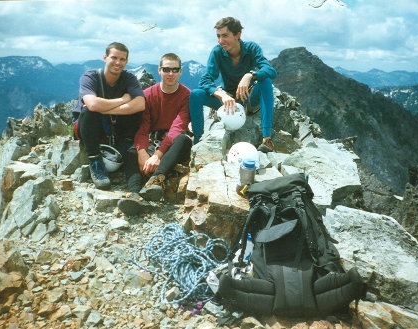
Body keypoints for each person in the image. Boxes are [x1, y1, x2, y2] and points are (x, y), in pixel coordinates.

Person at [189, 17, 277, 152]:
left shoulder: (251, 48)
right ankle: (198, 142)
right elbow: (205, 80)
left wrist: (250, 75)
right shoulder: (217, 52)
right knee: (195, 94)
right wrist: (221, 95)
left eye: (225, 36)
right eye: (218, 36)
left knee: (265, 81)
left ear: (237, 35)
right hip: (228, 100)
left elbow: (270, 70)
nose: (220, 41)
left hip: (249, 97)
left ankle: (267, 139)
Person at [72, 42, 145, 190]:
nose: (118, 62)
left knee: (136, 112)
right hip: (89, 127)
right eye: (114, 58)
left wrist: (104, 108)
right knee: (88, 112)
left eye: (122, 59)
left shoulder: (129, 78)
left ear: (127, 61)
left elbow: (140, 104)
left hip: (114, 126)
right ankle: (96, 162)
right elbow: (92, 105)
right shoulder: (90, 77)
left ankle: (124, 146)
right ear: (105, 57)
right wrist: (123, 100)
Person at [126, 53, 192, 201]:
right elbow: (142, 128)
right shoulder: (147, 95)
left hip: (173, 144)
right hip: (152, 140)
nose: (171, 73)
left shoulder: (187, 96)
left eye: (175, 70)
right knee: (131, 151)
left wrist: (157, 155)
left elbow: (177, 128)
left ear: (181, 72)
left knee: (183, 140)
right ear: (159, 70)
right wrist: (143, 153)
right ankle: (134, 194)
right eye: (167, 69)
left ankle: (154, 182)